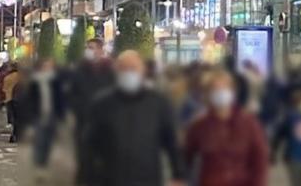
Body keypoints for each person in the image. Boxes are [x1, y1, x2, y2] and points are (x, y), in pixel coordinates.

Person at [86, 50, 184, 186]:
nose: (128, 73)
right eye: (124, 68)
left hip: (148, 179)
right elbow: (90, 145)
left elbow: (171, 140)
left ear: (142, 71)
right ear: (116, 71)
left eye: (133, 68)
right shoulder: (103, 104)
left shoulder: (158, 103)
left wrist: (178, 174)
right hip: (111, 178)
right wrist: (87, 178)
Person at [185, 70, 268, 186]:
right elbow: (186, 156)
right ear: (208, 94)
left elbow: (260, 159)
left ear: (232, 92)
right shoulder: (200, 125)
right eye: (215, 89)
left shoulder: (249, 123)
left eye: (224, 88)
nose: (220, 93)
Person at [69, 38, 115, 184]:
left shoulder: (110, 70)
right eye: (87, 47)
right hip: (84, 122)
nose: (88, 51)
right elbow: (72, 95)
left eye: (92, 47)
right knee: (85, 158)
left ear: (101, 50)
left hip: (106, 124)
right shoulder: (80, 70)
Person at [26, 59, 67, 168]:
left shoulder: (56, 82)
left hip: (52, 115)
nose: (47, 68)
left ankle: (44, 162)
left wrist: (62, 116)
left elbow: (60, 99)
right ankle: (39, 164)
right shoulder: (35, 82)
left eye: (50, 66)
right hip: (38, 115)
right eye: (45, 66)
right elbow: (30, 100)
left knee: (49, 140)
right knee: (40, 140)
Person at [2, 63, 20, 142]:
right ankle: (16, 135)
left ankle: (14, 135)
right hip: (20, 99)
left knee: (13, 119)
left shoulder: (7, 78)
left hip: (9, 99)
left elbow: (4, 89)